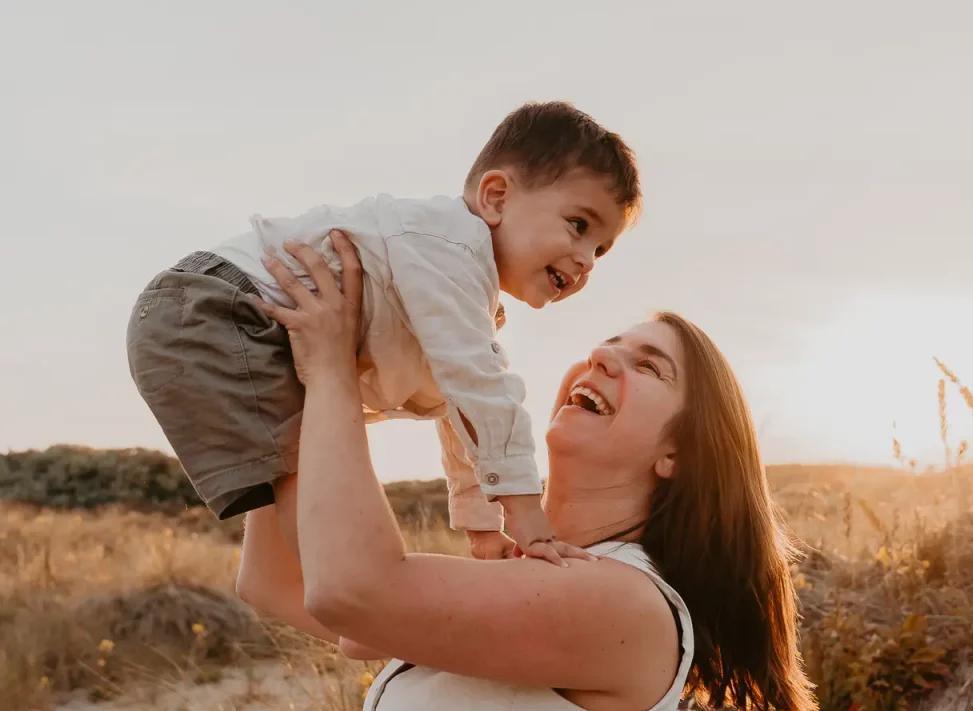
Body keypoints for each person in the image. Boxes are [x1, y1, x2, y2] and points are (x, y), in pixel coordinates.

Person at [236, 234, 817, 711]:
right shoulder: (519, 581)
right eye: (603, 348)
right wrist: (283, 386)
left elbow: (351, 590)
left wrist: (335, 370)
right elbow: (275, 583)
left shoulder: (626, 604)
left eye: (647, 366)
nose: (601, 361)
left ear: (677, 452)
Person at [126, 101, 640, 566]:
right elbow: (481, 388)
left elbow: (457, 411)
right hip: (217, 309)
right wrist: (531, 522)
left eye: (601, 250)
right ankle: (358, 593)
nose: (585, 260)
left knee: (308, 510)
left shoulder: (460, 299)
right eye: (578, 225)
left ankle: (353, 600)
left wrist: (484, 527)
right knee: (322, 511)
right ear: (496, 197)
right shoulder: (448, 245)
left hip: (214, 320)